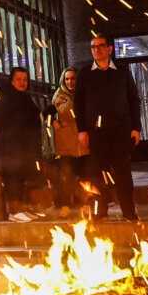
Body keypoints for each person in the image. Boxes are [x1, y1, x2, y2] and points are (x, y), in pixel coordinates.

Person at [74, 35, 142, 222]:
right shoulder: (85, 73)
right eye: (93, 47)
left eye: (101, 46)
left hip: (121, 128)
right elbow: (78, 103)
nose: (97, 49)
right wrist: (82, 130)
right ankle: (100, 211)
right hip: (96, 131)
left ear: (109, 49)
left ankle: (129, 211)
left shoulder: (122, 71)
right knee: (99, 172)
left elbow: (134, 99)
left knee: (123, 171)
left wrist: (136, 127)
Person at [0, 68, 44, 222]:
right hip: (11, 148)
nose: (22, 82)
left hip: (24, 147)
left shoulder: (22, 96)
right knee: (14, 178)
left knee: (22, 178)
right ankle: (14, 211)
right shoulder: (4, 95)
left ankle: (21, 209)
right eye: (18, 79)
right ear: (11, 80)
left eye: (25, 79)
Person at [47, 67, 90, 218]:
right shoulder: (58, 95)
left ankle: (86, 205)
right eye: (67, 79)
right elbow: (47, 112)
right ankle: (65, 205)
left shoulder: (85, 92)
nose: (70, 81)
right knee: (67, 175)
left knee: (86, 175)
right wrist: (53, 121)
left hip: (83, 138)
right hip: (65, 140)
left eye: (73, 78)